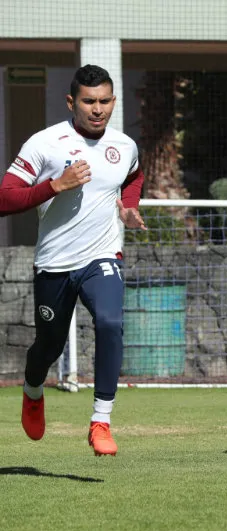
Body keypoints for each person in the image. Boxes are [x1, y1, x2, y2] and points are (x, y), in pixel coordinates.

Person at [0, 65, 146, 456]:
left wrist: (128, 207)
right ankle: (32, 392)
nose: (97, 110)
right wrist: (55, 186)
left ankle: (101, 421)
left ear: (113, 101)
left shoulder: (124, 145)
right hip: (55, 263)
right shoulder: (44, 144)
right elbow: (5, 197)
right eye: (88, 101)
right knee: (48, 348)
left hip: (101, 256)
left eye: (104, 102)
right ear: (71, 102)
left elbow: (133, 175)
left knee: (111, 321)